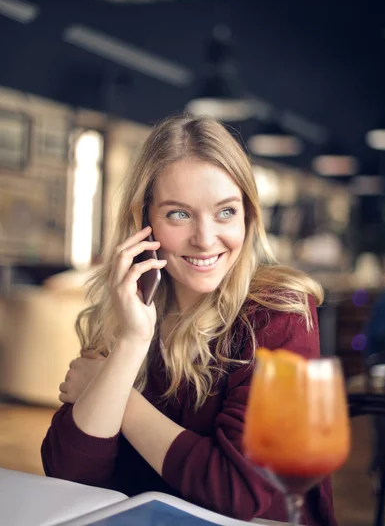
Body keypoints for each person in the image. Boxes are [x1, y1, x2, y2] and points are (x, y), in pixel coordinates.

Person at [41, 114, 337, 525]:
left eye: (225, 212)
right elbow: (68, 476)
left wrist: (119, 398)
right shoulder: (127, 306)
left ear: (248, 217)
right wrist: (130, 342)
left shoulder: (279, 311)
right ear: (145, 223)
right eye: (179, 214)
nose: (204, 238)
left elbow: (244, 494)